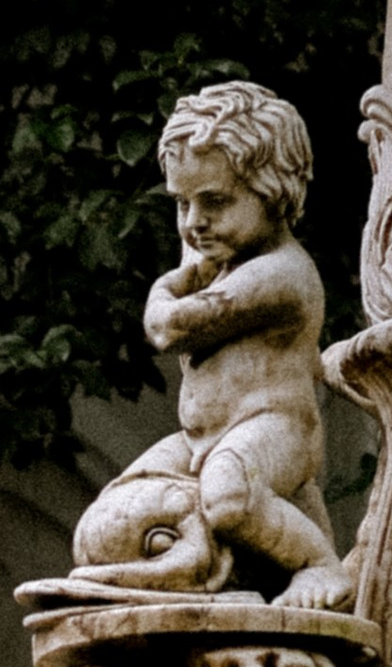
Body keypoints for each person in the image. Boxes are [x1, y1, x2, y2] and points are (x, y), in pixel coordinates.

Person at [66, 80, 339, 597]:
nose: (193, 224)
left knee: (228, 497)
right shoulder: (223, 262)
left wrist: (176, 281)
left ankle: (320, 565)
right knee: (112, 515)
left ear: (274, 191)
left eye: (214, 202)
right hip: (204, 440)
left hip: (274, 431)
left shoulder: (281, 276)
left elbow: (169, 327)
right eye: (182, 204)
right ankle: (190, 571)